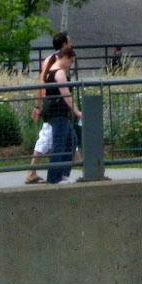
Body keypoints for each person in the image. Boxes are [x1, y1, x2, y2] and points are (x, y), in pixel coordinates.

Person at [39, 38, 82, 185]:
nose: (70, 65)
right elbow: (66, 96)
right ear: (64, 57)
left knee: (71, 141)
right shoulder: (59, 73)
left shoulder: (51, 71)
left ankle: (62, 174)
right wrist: (77, 112)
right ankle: (54, 177)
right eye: (70, 61)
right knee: (60, 144)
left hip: (57, 114)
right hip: (59, 114)